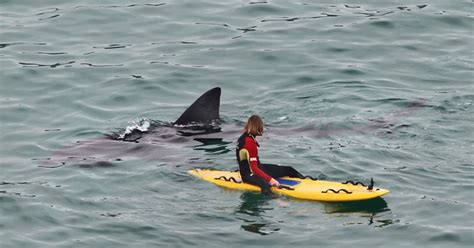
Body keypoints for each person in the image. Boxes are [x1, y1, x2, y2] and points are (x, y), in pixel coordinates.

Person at [236, 115, 304, 195]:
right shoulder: (249, 142)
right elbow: (254, 169)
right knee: (266, 185)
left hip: (259, 168)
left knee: (289, 170)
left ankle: (307, 181)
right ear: (258, 127)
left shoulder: (246, 137)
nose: (263, 129)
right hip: (249, 175)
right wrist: (271, 180)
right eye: (261, 126)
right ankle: (278, 201)